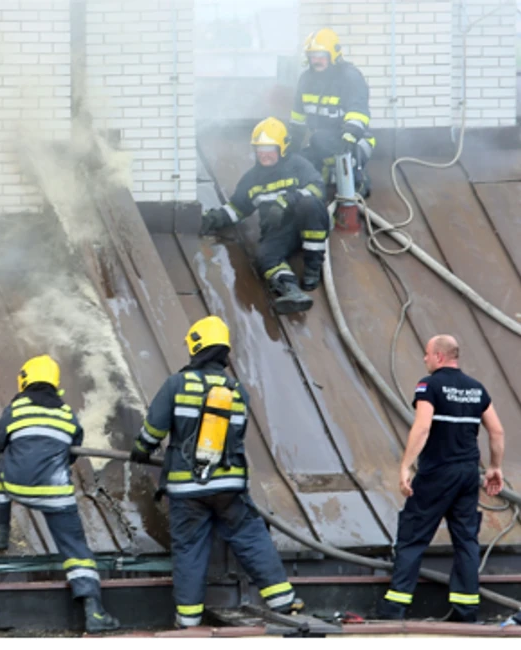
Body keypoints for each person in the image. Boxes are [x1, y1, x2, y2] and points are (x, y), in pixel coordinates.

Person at [129, 315, 302, 628]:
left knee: (190, 549)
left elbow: (154, 429)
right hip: (229, 487)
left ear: (196, 347)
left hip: (187, 489)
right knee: (250, 536)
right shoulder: (237, 391)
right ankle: (283, 601)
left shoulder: (177, 384)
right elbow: (236, 437)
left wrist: (141, 450)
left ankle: (188, 620)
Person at [0, 354, 120, 634]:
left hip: (16, 486)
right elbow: (71, 454)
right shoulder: (67, 415)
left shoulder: (17, 409)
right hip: (56, 494)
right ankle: (94, 611)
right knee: (76, 548)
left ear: (24, 381)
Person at [377, 335, 506, 623]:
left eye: (426, 353)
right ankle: (466, 611)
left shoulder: (429, 385)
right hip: (467, 475)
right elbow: (496, 431)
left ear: (438, 356)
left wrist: (405, 466)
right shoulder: (477, 388)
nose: (424, 359)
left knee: (413, 537)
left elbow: (423, 427)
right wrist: (494, 467)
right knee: (466, 540)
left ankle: (394, 609)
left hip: (437, 473)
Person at [200, 116, 330, 315]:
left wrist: (287, 200)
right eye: (260, 149)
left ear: (282, 148)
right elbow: (237, 209)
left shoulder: (298, 165)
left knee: (310, 203)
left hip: (305, 222)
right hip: (278, 231)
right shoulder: (251, 179)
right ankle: (291, 290)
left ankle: (313, 267)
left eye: (269, 149)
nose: (264, 154)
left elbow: (318, 189)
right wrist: (212, 219)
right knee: (264, 256)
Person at [289, 27, 376, 198]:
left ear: (334, 55)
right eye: (312, 56)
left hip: (355, 141)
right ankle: (327, 175)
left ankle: (358, 178)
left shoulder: (350, 77)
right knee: (301, 161)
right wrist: (292, 145)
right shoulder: (305, 80)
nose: (316, 60)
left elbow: (358, 110)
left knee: (322, 141)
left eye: (321, 55)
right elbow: (298, 117)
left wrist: (349, 136)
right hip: (322, 141)